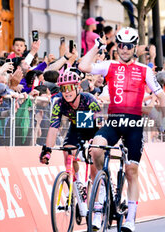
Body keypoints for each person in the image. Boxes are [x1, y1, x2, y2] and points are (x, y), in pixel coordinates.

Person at [79, 27, 165, 232]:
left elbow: (162, 96)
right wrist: (96, 47)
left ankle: (130, 218)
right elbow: (84, 66)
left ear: (135, 47)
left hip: (134, 124)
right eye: (121, 45)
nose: (124, 49)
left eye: (129, 46)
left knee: (132, 170)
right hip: (113, 121)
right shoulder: (109, 65)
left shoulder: (144, 70)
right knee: (95, 149)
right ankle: (103, 191)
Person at [39, 70, 101, 215]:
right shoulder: (58, 102)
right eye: (63, 88)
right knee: (68, 152)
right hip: (76, 126)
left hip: (92, 127)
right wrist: (47, 150)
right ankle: (78, 184)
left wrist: (95, 140)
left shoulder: (88, 99)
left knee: (93, 161)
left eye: (69, 88)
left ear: (77, 87)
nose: (66, 92)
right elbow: (53, 128)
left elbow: (100, 123)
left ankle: (98, 194)